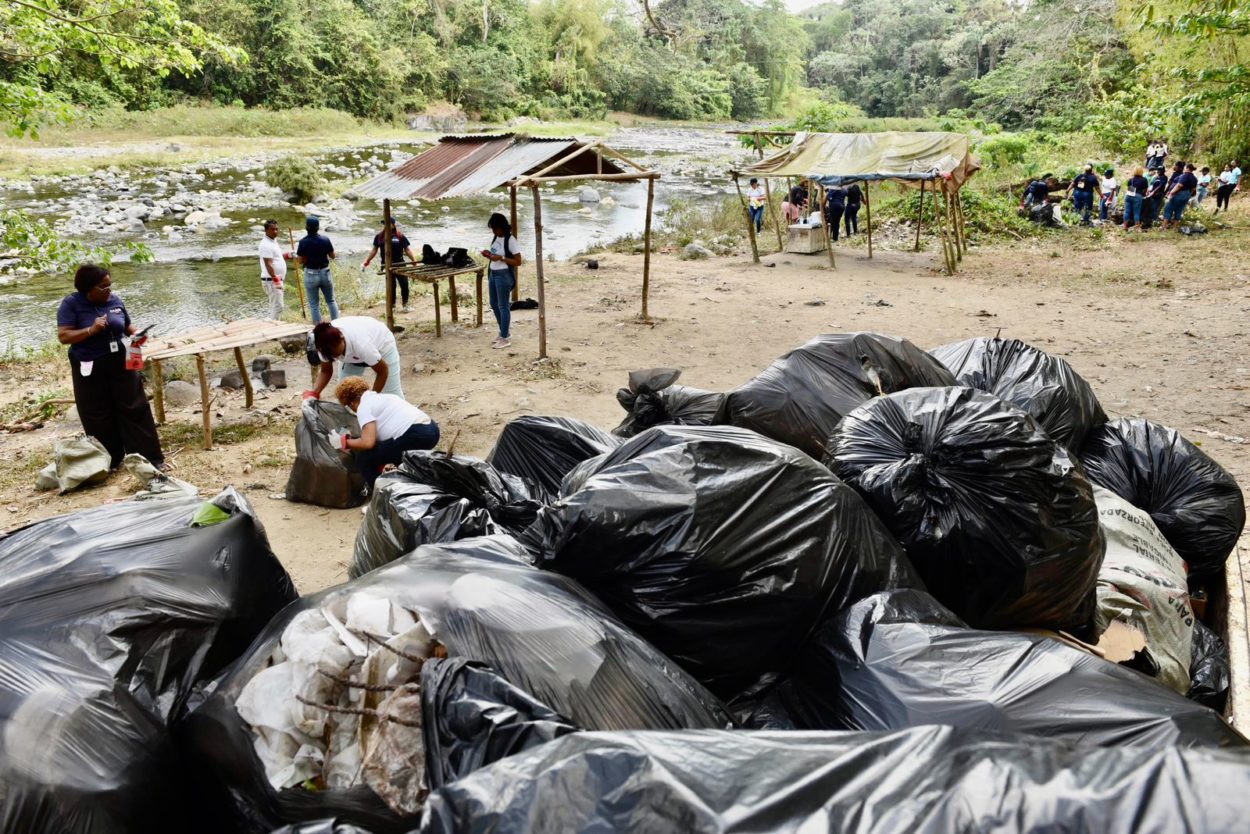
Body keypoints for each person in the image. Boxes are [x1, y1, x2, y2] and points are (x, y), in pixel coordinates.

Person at [56, 264, 164, 471]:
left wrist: (137, 334)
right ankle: (111, 459)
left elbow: (126, 325)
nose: (109, 291)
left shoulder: (114, 300)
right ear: (88, 289)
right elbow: (64, 336)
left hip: (122, 359)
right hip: (89, 363)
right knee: (97, 411)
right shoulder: (71, 304)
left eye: (110, 286)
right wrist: (91, 329)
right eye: (103, 288)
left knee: (135, 406)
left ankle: (148, 457)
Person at [333, 377, 439, 488]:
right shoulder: (385, 397)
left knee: (364, 459)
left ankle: (383, 495)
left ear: (351, 403)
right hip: (432, 429)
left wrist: (343, 442)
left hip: (415, 435)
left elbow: (368, 443)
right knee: (385, 453)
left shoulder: (363, 407)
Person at [306, 316, 403, 400]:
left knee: (393, 396)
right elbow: (325, 371)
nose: (334, 357)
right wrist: (313, 393)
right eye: (329, 356)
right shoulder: (323, 344)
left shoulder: (362, 344)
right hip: (353, 354)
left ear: (341, 338)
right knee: (345, 395)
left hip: (382, 345)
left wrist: (371, 398)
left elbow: (382, 371)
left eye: (334, 353)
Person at [481, 212, 522, 350]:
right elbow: (496, 254)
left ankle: (504, 338)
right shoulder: (496, 237)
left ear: (502, 227)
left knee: (503, 306)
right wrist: (490, 254)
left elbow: (518, 261)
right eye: (492, 229)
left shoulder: (510, 240)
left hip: (503, 275)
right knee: (493, 303)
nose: (493, 231)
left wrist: (501, 258)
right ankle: (504, 332)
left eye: (495, 228)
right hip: (493, 273)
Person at [362, 218, 417, 313]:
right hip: (386, 265)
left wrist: (414, 261)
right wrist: (367, 260)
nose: (386, 225)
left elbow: (407, 250)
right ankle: (392, 305)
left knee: (404, 285)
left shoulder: (400, 236)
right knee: (391, 286)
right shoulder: (379, 236)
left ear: (393, 224)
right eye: (385, 223)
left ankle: (405, 305)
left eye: (388, 223)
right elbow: (374, 250)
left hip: (400, 264)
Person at [296, 215, 339, 324]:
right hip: (325, 272)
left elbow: (300, 261)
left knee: (314, 304)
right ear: (318, 227)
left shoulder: (303, 242)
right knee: (331, 300)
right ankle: (337, 324)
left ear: (306, 227)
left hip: (311, 274)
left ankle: (319, 328)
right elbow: (333, 256)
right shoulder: (325, 239)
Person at [258, 219, 288, 320]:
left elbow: (276, 258)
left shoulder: (273, 241)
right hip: (271, 280)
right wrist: (276, 280)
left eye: (276, 229)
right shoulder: (266, 245)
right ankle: (273, 327)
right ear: (266, 230)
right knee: (278, 307)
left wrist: (288, 255)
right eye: (272, 229)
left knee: (276, 306)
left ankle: (274, 324)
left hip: (275, 279)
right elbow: (268, 264)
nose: (275, 231)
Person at [1161, 163, 1199, 230]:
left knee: (1168, 209)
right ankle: (1175, 227)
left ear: (1187, 168)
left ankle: (1164, 226)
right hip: (1187, 195)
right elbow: (1193, 189)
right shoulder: (1194, 178)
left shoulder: (1185, 176)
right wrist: (1188, 195)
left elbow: (1179, 185)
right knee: (1179, 211)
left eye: (1185, 167)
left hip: (1179, 194)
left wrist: (1171, 192)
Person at [1123, 166, 1149, 231]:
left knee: (1127, 212)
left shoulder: (1131, 179)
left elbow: (1129, 188)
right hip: (1138, 196)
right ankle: (1137, 227)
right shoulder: (1144, 179)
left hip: (1129, 195)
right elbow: (1145, 190)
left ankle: (1125, 226)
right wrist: (1143, 194)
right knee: (1136, 212)